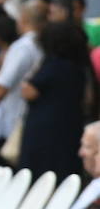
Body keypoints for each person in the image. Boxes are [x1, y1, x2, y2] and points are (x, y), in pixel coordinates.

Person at [19, 21, 94, 181]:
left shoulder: (53, 65)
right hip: (69, 128)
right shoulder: (78, 67)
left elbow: (29, 92)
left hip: (45, 134)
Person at [0, 0, 45, 161]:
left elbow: (2, 86)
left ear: (24, 20)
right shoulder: (41, 44)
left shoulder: (22, 48)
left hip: (13, 120)